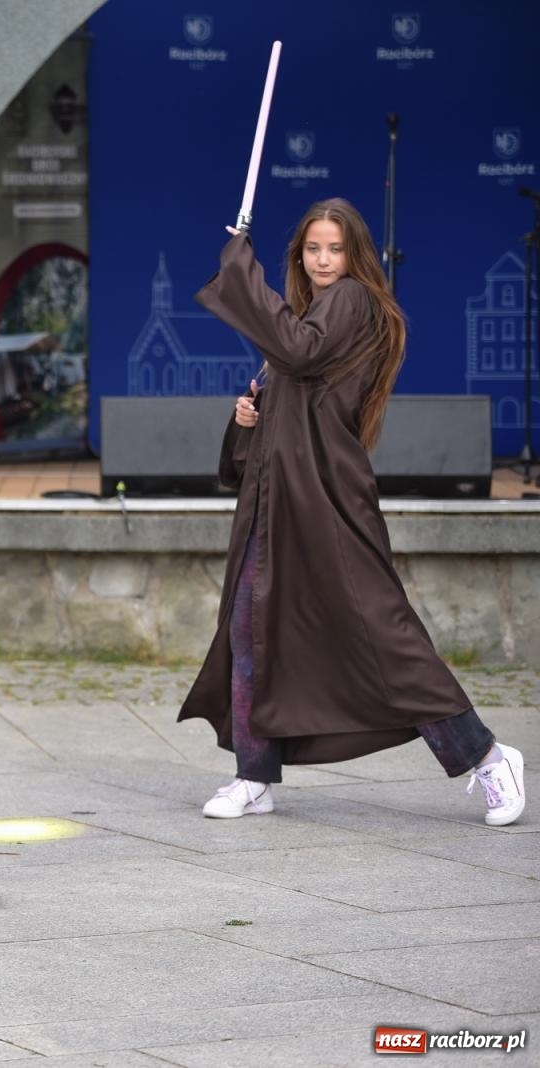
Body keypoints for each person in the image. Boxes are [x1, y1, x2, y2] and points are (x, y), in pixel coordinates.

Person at [180, 198, 525, 826]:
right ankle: (254, 775)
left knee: (385, 638)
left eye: (334, 248)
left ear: (354, 254)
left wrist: (239, 268)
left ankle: (488, 757)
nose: (322, 260)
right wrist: (245, 421)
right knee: (251, 633)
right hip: (277, 504)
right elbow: (259, 441)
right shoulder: (306, 326)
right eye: (312, 248)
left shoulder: (352, 302)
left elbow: (297, 349)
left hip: (329, 506)